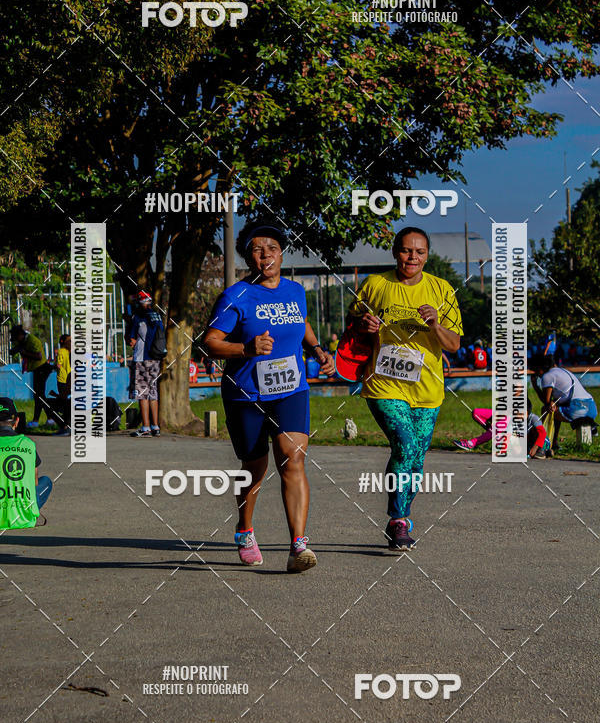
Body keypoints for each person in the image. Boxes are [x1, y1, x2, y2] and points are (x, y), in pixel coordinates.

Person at [203, 221, 335, 573]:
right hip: (247, 394)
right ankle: (245, 530)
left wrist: (318, 349)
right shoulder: (236, 296)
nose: (266, 255)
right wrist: (245, 349)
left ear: (281, 252)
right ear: (250, 256)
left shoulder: (295, 291)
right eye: (258, 250)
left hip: (291, 389)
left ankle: (298, 546)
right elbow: (210, 341)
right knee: (255, 467)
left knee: (292, 457)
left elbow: (300, 322)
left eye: (272, 248)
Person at [347, 226, 462, 551]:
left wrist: (435, 325)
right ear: (395, 251)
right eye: (406, 250)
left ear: (427, 255)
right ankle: (398, 520)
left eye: (419, 252)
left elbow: (453, 344)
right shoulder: (375, 285)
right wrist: (364, 325)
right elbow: (352, 325)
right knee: (406, 446)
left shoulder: (441, 290)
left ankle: (403, 516)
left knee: (417, 458)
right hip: (383, 384)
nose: (413, 257)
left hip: (428, 389)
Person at [0, 397, 52, 528]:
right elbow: (34, 482)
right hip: (24, 518)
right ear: (16, 421)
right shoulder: (28, 444)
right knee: (45, 482)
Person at [531, 355, 598, 452]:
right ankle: (554, 443)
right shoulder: (562, 371)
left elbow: (546, 402)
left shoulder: (547, 376)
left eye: (536, 371)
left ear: (541, 368)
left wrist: (536, 387)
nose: (537, 374)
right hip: (591, 407)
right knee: (555, 408)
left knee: (546, 410)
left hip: (579, 408)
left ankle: (543, 443)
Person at [454, 398, 549, 458]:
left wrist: (535, 447)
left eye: (521, 413)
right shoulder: (512, 417)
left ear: (528, 412)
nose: (518, 415)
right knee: (516, 451)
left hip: (539, 442)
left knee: (520, 450)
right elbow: (508, 433)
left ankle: (543, 451)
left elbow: (542, 433)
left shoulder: (533, 418)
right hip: (522, 441)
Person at [129, 291, 164, 437]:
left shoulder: (137, 317)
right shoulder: (158, 317)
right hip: (156, 359)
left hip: (141, 359)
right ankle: (156, 426)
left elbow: (131, 341)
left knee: (142, 394)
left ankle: (146, 428)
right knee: (153, 392)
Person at [10, 325, 53, 427]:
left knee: (39, 396)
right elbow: (16, 349)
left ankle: (37, 420)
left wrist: (24, 352)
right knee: (39, 396)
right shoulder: (22, 341)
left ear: (21, 335)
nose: (16, 340)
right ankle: (50, 419)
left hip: (42, 368)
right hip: (37, 370)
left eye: (16, 337)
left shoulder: (33, 340)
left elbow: (39, 356)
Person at [54, 333, 71, 436]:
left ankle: (65, 425)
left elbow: (59, 365)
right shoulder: (73, 351)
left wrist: (55, 366)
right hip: (73, 378)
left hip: (63, 379)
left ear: (61, 341)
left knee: (63, 402)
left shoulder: (61, 351)